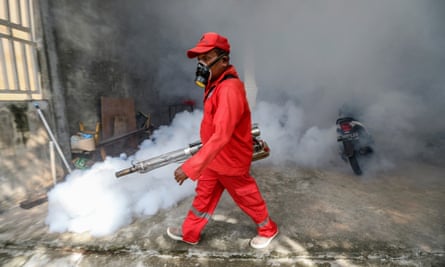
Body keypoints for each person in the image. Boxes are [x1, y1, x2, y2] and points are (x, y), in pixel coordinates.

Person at [166, 32, 278, 249]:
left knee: (247, 197)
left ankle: (268, 229)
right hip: (214, 158)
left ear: (224, 60)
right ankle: (190, 233)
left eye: (206, 59)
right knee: (203, 197)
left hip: (230, 160)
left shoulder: (229, 89)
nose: (201, 64)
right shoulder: (215, 84)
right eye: (199, 60)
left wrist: (191, 166)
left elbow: (222, 135)